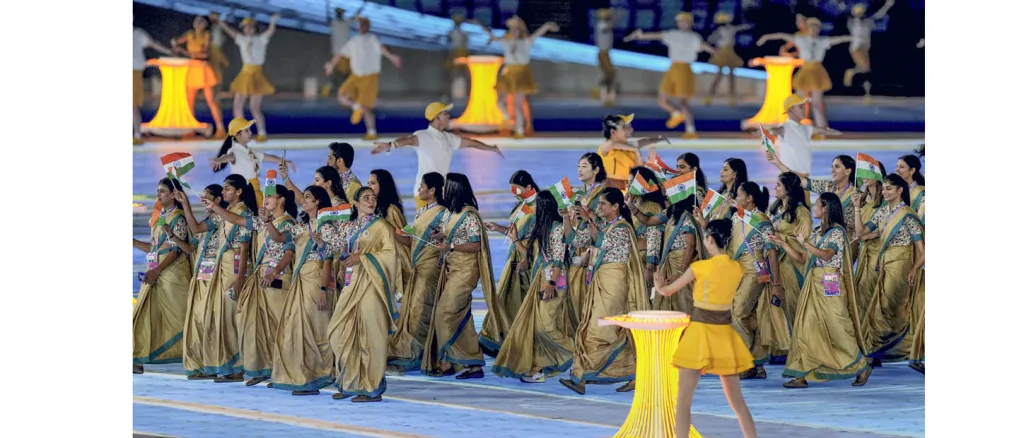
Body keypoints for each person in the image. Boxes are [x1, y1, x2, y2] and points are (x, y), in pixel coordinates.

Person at [654, 218, 757, 438]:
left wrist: (659, 284)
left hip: (699, 335)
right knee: (738, 403)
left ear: (710, 239)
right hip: (724, 337)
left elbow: (666, 291)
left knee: (683, 402)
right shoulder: (737, 268)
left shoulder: (699, 267)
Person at [770, 193, 871, 388]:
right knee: (805, 328)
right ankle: (801, 374)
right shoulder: (817, 232)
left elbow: (826, 255)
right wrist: (783, 244)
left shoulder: (837, 232)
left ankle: (862, 365)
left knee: (838, 326)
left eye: (817, 205)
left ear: (825, 208)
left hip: (830, 280)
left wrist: (805, 244)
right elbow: (801, 258)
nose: (814, 208)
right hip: (814, 281)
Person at [324, 187, 400, 402]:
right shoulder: (349, 227)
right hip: (350, 286)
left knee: (370, 336)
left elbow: (391, 255)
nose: (371, 201)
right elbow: (340, 250)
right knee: (341, 332)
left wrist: (362, 259)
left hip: (372, 285)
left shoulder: (382, 227)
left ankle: (371, 387)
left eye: (374, 198)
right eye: (366, 198)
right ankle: (350, 382)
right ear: (355, 203)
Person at [492, 191, 574, 383]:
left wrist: (551, 283)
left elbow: (558, 259)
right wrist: (514, 239)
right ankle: (538, 368)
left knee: (545, 327)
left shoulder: (556, 229)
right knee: (535, 327)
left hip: (553, 283)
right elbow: (532, 256)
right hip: (539, 281)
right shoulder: (542, 229)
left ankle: (576, 352)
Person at [421, 174, 497, 380]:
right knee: (459, 315)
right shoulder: (451, 213)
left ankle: (451, 361)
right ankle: (470, 362)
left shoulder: (470, 215)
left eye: (446, 187)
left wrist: (451, 245)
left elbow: (476, 244)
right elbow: (451, 234)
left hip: (466, 270)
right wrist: (441, 236)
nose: (443, 191)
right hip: (452, 267)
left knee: (445, 313)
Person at [224, 185, 298, 386]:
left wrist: (273, 272)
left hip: (278, 278)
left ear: (281, 200)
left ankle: (281, 370)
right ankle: (262, 368)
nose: (265, 200)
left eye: (270, 197)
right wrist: (215, 206)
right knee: (254, 325)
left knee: (276, 326)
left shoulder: (289, 223)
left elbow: (287, 251)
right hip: (260, 278)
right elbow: (237, 220)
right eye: (264, 197)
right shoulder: (261, 222)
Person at [190, 174, 260, 382]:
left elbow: (244, 248)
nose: (224, 192)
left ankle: (238, 367)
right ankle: (227, 365)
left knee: (231, 318)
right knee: (220, 319)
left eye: (228, 189)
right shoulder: (227, 213)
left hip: (234, 269)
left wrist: (239, 277)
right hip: (222, 268)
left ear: (238, 191)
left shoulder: (243, 213)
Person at [370, 102, 504, 210]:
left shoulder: (448, 138)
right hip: (425, 193)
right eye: (445, 113)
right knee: (426, 232)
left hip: (442, 193)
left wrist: (491, 148)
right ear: (437, 117)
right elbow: (409, 140)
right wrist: (390, 145)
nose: (449, 115)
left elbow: (470, 143)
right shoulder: (423, 135)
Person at [270, 186, 337, 395]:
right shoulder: (300, 227)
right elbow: (282, 241)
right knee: (296, 328)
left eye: (308, 198)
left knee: (314, 329)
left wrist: (324, 289)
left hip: (316, 280)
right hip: (299, 280)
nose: (303, 201)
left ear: (318, 202)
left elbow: (329, 259)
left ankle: (316, 376)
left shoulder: (326, 228)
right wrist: (266, 222)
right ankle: (300, 375)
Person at [854, 174, 925, 365]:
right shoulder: (882, 212)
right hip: (884, 265)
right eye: (883, 188)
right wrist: (857, 209)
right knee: (879, 308)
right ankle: (876, 352)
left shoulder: (908, 215)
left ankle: (902, 348)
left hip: (902, 266)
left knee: (888, 308)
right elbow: (861, 233)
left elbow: (923, 250)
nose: (884, 192)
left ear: (900, 190)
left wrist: (914, 270)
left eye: (889, 189)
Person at [387, 173, 448, 373]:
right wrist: (389, 230)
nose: (419, 190)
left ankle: (415, 355)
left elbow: (444, 240)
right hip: (418, 268)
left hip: (430, 269)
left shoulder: (443, 213)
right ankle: (409, 351)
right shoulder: (422, 211)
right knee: (412, 311)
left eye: (422, 186)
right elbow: (411, 240)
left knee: (421, 312)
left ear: (432, 191)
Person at [132, 178, 192, 373]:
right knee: (143, 315)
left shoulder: (178, 217)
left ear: (174, 194)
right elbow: (155, 248)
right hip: (156, 272)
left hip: (171, 275)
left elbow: (176, 250)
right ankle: (137, 357)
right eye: (158, 191)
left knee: (179, 319)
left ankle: (199, 355)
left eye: (163, 191)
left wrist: (157, 270)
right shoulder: (161, 217)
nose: (159, 195)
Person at [625, 12, 715, 138]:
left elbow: (703, 46)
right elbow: (656, 35)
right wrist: (640, 36)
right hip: (673, 67)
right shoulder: (673, 34)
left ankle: (690, 130)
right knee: (662, 99)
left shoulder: (694, 37)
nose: (683, 24)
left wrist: (715, 52)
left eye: (685, 21)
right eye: (680, 21)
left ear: (690, 23)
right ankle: (676, 114)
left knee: (683, 102)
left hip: (684, 68)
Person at [479, 170, 540, 356]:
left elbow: (532, 239)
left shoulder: (539, 207)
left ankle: (517, 342)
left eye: (518, 189)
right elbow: (515, 233)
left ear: (529, 187)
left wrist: (521, 250)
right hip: (513, 256)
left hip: (526, 259)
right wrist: (498, 228)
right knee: (506, 299)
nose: (514, 192)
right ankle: (499, 339)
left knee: (517, 302)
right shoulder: (521, 207)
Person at [757, 19, 853, 130]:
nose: (814, 30)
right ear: (808, 29)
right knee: (799, 101)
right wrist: (765, 37)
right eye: (811, 27)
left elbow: (839, 39)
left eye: (816, 27)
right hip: (806, 71)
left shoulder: (822, 41)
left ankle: (822, 128)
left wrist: (854, 38)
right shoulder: (801, 39)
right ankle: (795, 127)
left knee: (817, 103)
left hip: (817, 71)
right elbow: (782, 35)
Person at [480, 16, 560, 139]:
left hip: (522, 73)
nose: (514, 32)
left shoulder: (526, 42)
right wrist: (480, 24)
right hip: (509, 73)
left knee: (518, 104)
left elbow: (538, 33)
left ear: (520, 31)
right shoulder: (505, 41)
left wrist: (548, 25)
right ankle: (508, 118)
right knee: (499, 101)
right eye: (512, 29)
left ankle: (520, 130)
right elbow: (492, 37)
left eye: (517, 30)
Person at [325, 17, 402, 140]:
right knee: (342, 95)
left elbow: (382, 49)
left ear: (367, 26)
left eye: (363, 24)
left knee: (366, 106)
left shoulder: (372, 39)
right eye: (360, 24)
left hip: (369, 77)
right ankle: (356, 107)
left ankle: (371, 132)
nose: (361, 27)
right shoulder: (354, 41)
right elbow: (340, 54)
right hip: (356, 76)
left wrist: (392, 57)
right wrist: (331, 65)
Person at [217, 15, 280, 142]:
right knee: (237, 105)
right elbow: (231, 32)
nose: (249, 29)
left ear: (254, 28)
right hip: (245, 73)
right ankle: (241, 133)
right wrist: (221, 22)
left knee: (255, 107)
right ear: (244, 29)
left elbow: (270, 32)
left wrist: (272, 21)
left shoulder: (260, 39)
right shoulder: (241, 39)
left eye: (251, 27)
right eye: (246, 27)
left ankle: (262, 132)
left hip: (256, 73)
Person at [210, 118, 294, 207]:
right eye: (246, 131)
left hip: (255, 191)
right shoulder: (234, 151)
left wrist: (285, 161)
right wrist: (220, 159)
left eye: (249, 130)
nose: (250, 133)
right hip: (245, 193)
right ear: (237, 135)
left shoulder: (250, 151)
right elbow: (229, 156)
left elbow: (269, 157)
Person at [171, 15, 227, 138]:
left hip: (204, 68)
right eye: (196, 21)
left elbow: (204, 53)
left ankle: (220, 128)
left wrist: (184, 52)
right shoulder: (190, 34)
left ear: (205, 25)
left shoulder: (207, 36)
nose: (198, 23)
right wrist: (175, 44)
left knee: (211, 100)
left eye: (201, 21)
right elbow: (177, 41)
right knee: (189, 101)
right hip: (193, 69)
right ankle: (190, 128)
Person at [597, 114, 669, 190]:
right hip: (611, 192)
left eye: (630, 126)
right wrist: (636, 149)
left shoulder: (631, 150)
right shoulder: (606, 147)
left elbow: (643, 142)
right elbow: (612, 144)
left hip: (628, 191)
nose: (630, 130)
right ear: (613, 132)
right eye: (624, 127)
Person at [843, 0, 895, 102]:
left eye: (861, 11)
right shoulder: (852, 22)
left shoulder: (868, 22)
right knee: (865, 69)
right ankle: (865, 90)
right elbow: (846, 13)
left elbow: (879, 15)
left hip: (865, 48)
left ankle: (863, 87)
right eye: (858, 11)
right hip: (856, 48)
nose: (860, 13)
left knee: (865, 69)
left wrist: (887, 5)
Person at [133, 25, 173, 145]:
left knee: (133, 105)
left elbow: (153, 44)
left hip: (134, 71)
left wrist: (169, 51)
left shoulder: (138, 33)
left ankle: (137, 135)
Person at [705, 13, 752, 106]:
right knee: (719, 76)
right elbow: (710, 40)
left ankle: (731, 98)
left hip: (729, 52)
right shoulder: (719, 31)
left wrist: (748, 25)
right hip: (722, 52)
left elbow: (740, 27)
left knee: (731, 77)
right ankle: (709, 97)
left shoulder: (730, 28)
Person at [322, 6, 364, 97]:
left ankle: (329, 88)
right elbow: (355, 15)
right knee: (345, 73)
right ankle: (347, 90)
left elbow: (327, 21)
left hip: (337, 52)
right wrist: (363, 6)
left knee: (341, 72)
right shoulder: (346, 23)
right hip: (344, 53)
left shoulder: (334, 23)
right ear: (342, 15)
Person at [593, 8, 621, 106]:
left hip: (606, 53)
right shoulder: (602, 25)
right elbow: (609, 27)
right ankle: (605, 96)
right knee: (611, 74)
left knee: (609, 75)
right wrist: (616, 17)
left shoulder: (604, 24)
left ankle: (604, 94)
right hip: (603, 53)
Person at [445, 14, 470, 102]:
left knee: (465, 74)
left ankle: (467, 94)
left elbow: (466, 44)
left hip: (462, 53)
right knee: (452, 75)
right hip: (455, 53)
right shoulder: (451, 33)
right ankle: (449, 95)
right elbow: (449, 43)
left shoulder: (464, 34)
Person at [207, 13, 230, 93]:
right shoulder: (214, 29)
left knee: (217, 75)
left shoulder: (215, 28)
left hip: (215, 50)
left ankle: (216, 91)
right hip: (214, 50)